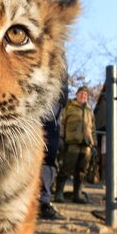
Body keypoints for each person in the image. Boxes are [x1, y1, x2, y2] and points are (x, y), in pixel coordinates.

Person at [55, 86, 96, 204]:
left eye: (86, 95)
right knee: (66, 168)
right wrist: (61, 138)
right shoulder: (69, 107)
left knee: (82, 171)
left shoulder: (89, 110)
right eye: (81, 94)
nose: (83, 96)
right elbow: (62, 123)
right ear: (77, 95)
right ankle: (59, 193)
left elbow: (93, 129)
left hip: (87, 145)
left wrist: (94, 145)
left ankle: (77, 195)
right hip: (72, 143)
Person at [38, 76, 69, 220]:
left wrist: (62, 99)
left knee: (48, 155)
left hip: (53, 102)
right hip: (32, 93)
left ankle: (43, 202)